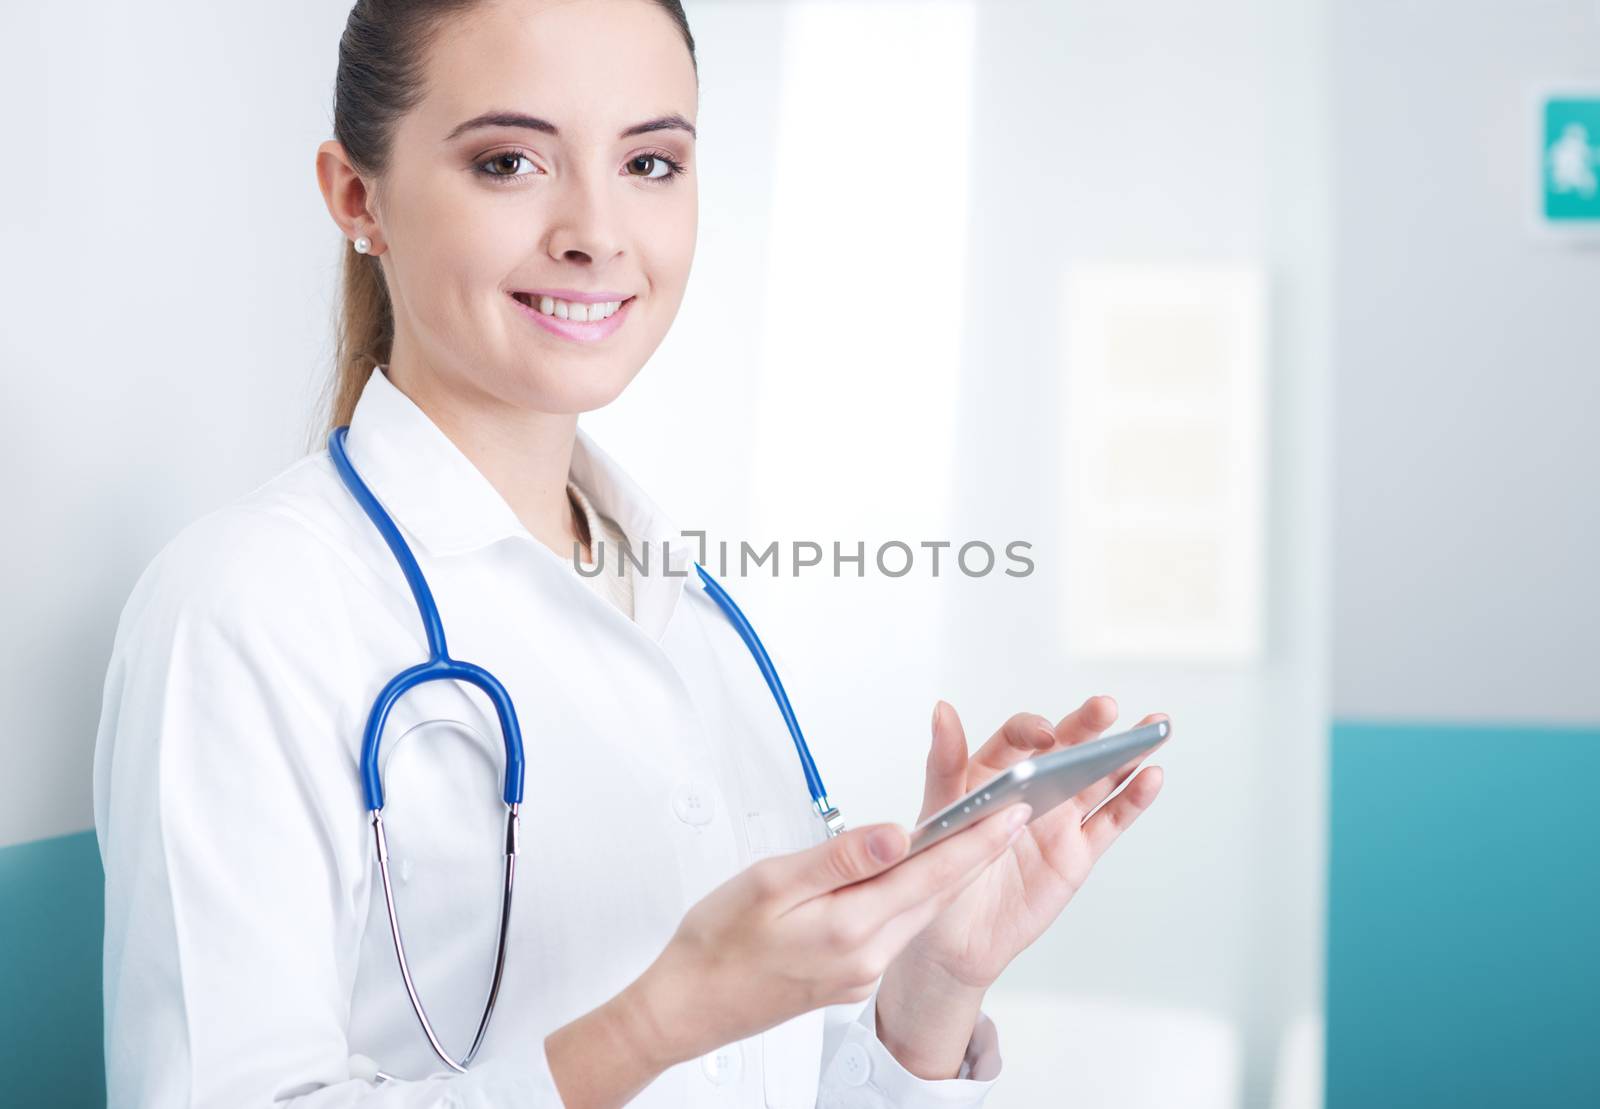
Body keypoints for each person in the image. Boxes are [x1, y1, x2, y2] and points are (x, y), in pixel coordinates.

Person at [91, 1, 1169, 1105]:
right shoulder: (245, 607)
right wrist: (661, 1017)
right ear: (356, 195)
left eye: (650, 161)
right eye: (510, 161)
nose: (597, 232)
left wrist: (935, 979)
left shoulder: (690, 613)